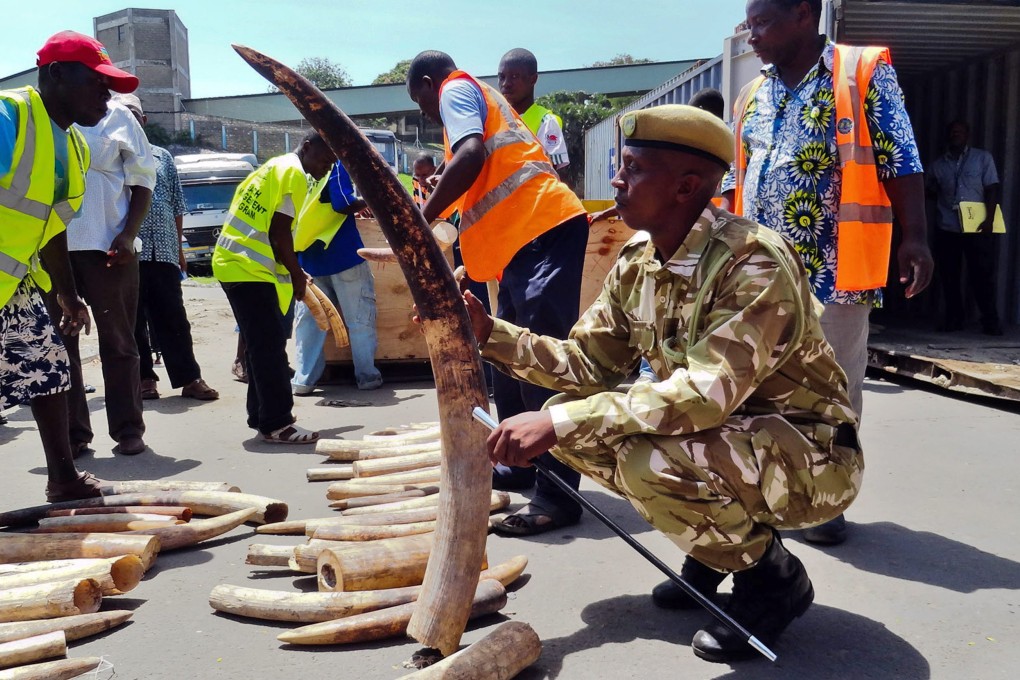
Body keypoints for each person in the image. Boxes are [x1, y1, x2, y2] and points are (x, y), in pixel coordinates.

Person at [469, 105, 862, 663]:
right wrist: (491, 334)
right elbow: (588, 362)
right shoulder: (640, 259)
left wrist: (555, 421)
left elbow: (704, 395)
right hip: (734, 438)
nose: (616, 180)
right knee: (575, 421)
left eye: (633, 167)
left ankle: (772, 580)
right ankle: (713, 550)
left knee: (631, 455)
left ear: (686, 186)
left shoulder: (753, 264)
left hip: (812, 456)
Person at [722, 0, 933, 545]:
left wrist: (916, 237)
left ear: (802, 14)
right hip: (760, 274)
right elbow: (733, 179)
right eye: (748, 25)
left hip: (836, 266)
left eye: (762, 23)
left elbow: (900, 157)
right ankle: (766, 490)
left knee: (832, 388)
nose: (753, 35)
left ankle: (825, 502)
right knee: (758, 386)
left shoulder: (860, 72)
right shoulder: (752, 93)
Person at [407, 50, 590, 536]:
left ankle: (560, 495)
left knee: (540, 363)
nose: (428, 113)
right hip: (520, 243)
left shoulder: (455, 89)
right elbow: (484, 194)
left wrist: (418, 222)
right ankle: (522, 462)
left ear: (429, 83)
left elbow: (472, 156)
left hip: (543, 229)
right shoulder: (474, 100)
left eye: (420, 102)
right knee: (507, 358)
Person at [2, 30, 138, 499]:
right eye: (97, 81)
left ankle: (63, 480)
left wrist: (65, 291)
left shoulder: (75, 146)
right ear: (57, 75)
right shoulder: (9, 116)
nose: (107, 93)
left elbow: (52, 225)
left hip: (14, 281)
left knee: (49, 366)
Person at [45, 62, 157, 458]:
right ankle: (75, 435)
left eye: (107, 86)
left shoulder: (119, 118)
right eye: (97, 83)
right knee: (62, 345)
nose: (104, 93)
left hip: (109, 248)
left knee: (119, 341)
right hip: (51, 250)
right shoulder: (42, 122)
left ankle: (128, 429)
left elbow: (143, 178)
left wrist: (128, 234)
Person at [213, 131, 334, 444]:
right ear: (307, 147)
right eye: (324, 159)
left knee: (260, 348)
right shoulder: (293, 173)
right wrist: (296, 274)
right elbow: (280, 232)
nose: (327, 167)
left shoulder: (271, 167)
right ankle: (279, 423)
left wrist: (294, 271)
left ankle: (263, 416)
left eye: (332, 163)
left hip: (235, 264)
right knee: (270, 350)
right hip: (250, 269)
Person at [119, 95, 219, 402]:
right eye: (123, 115)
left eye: (135, 114)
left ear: (144, 120)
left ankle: (189, 378)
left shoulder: (162, 156)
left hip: (162, 249)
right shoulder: (110, 156)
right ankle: (145, 379)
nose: (130, 120)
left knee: (174, 316)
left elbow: (177, 205)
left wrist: (179, 250)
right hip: (127, 250)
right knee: (132, 319)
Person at [292, 159, 382, 393]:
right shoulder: (333, 162)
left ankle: (304, 380)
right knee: (359, 317)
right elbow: (342, 203)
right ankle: (367, 376)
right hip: (343, 255)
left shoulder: (297, 168)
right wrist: (374, 200)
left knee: (309, 323)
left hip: (308, 259)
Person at [927, 120, 1003, 335]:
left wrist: (988, 219)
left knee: (982, 275)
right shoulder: (938, 165)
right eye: (952, 132)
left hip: (976, 227)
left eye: (959, 132)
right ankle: (954, 319)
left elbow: (992, 189)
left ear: (968, 135)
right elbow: (930, 190)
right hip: (947, 227)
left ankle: (990, 321)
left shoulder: (982, 158)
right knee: (949, 276)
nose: (955, 135)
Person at [498, 48, 570, 171]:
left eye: (514, 77)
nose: (506, 84)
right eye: (502, 77)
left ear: (533, 79)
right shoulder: (493, 119)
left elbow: (554, 172)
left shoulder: (546, 122)